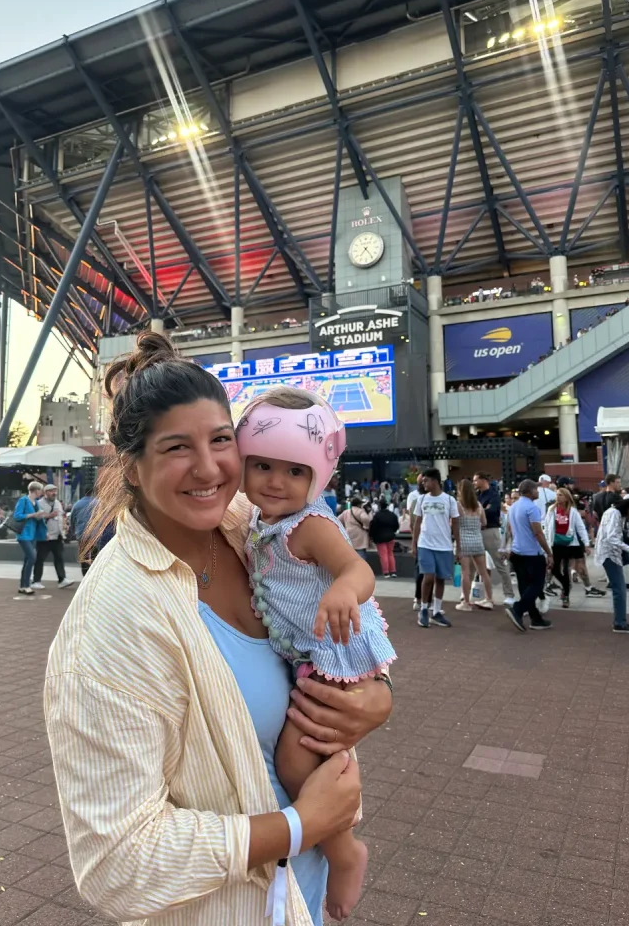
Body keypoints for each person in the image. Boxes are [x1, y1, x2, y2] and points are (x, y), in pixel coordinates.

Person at [44, 332, 392, 926]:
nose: (208, 468)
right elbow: (115, 864)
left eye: (221, 440)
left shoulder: (249, 527)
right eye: (177, 447)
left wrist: (375, 700)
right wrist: (301, 826)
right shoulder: (111, 622)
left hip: (302, 899)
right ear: (131, 467)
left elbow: (341, 629)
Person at [236, 387, 396, 920]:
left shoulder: (311, 525)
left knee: (297, 757)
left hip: (337, 648)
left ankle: (345, 850)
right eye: (261, 465)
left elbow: (359, 570)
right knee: (316, 753)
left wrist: (344, 590)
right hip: (310, 652)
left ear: (317, 478)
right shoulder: (261, 523)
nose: (276, 481)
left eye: (294, 471)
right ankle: (340, 844)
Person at [502, 479, 553, 633]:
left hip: (517, 552)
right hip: (532, 552)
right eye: (536, 490)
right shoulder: (532, 508)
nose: (538, 492)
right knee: (537, 585)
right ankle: (517, 609)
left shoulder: (513, 507)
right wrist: (548, 552)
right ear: (530, 491)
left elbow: (510, 530)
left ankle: (536, 619)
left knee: (525, 586)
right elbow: (538, 532)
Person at [411, 467, 459, 628]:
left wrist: (458, 546)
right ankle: (424, 609)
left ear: (435, 481)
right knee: (428, 577)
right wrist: (414, 543)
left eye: (425, 480)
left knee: (440, 578)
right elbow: (417, 522)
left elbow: (456, 524)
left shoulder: (450, 500)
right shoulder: (422, 499)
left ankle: (437, 612)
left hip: (444, 545)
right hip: (425, 544)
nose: (423, 483)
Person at [594, 496, 629, 634]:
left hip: (611, 553)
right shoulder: (614, 514)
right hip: (609, 554)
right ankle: (620, 623)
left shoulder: (616, 513)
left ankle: (620, 621)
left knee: (620, 589)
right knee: (620, 589)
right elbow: (611, 537)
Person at [544, 488, 591, 608]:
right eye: (557, 495)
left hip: (571, 544)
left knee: (566, 570)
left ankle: (566, 596)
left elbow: (580, 527)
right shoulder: (552, 509)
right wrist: (546, 544)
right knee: (554, 570)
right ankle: (565, 586)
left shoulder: (573, 511)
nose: (558, 497)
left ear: (566, 497)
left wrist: (586, 543)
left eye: (561, 495)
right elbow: (547, 527)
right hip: (556, 544)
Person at [473, 473, 515, 606]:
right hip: (478, 531)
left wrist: (479, 511)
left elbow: (491, 511)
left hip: (491, 531)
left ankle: (509, 595)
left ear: (483, 480)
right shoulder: (477, 495)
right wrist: (482, 510)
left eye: (475, 480)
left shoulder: (494, 494)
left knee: (500, 564)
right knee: (479, 567)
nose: (474, 483)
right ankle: (485, 596)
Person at [455, 478, 493, 611]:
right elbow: (484, 523)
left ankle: (466, 602)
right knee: (483, 572)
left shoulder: (458, 505)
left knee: (465, 573)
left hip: (463, 541)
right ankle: (489, 599)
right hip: (477, 540)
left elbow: (453, 523)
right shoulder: (478, 505)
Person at [33, 484, 74, 590]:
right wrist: (49, 515)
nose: (54, 493)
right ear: (45, 493)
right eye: (51, 491)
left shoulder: (57, 503)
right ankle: (36, 581)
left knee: (59, 558)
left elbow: (61, 516)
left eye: (55, 491)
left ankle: (62, 580)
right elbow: (36, 517)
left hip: (57, 535)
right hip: (45, 536)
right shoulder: (39, 503)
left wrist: (64, 528)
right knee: (40, 559)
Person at [13, 482, 47, 596]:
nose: (41, 493)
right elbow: (17, 516)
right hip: (23, 534)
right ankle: (26, 585)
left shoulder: (36, 502)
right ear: (35, 490)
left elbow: (37, 518)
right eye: (40, 490)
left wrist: (39, 515)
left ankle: (23, 586)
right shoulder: (23, 500)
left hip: (32, 534)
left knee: (28, 559)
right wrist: (33, 515)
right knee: (32, 558)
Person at [407, 475, 427, 611]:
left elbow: (411, 523)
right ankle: (421, 599)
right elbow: (412, 522)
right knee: (423, 571)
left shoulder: (415, 500)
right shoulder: (415, 499)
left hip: (422, 539)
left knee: (423, 571)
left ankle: (422, 599)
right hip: (422, 540)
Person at [369, 498, 400, 578]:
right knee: (390, 554)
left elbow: (373, 527)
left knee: (383, 555)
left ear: (379, 506)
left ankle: (386, 572)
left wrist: (372, 536)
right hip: (391, 536)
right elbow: (396, 526)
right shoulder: (392, 515)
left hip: (380, 537)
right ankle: (393, 571)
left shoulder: (377, 516)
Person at [69, 488, 97, 576]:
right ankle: (94, 574)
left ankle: (85, 575)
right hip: (95, 534)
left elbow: (72, 519)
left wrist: (73, 530)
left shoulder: (77, 504)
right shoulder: (98, 503)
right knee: (95, 555)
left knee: (83, 556)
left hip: (81, 534)